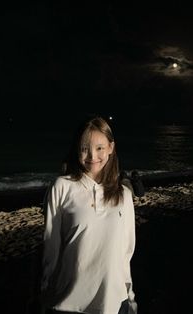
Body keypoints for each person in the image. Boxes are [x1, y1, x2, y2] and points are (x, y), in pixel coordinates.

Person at [40, 115, 138, 314]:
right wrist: (44, 290)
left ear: (111, 147)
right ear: (77, 149)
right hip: (67, 302)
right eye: (85, 148)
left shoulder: (124, 195)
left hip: (113, 303)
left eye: (100, 147)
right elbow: (51, 246)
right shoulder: (61, 187)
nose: (92, 156)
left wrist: (130, 297)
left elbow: (126, 252)